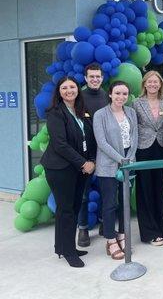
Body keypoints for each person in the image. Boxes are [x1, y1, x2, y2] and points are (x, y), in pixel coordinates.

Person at [40, 77, 96, 268]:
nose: (69, 90)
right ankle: (69, 252)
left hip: (79, 168)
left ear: (78, 90)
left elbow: (89, 138)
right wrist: (83, 163)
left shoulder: (82, 111)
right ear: (59, 91)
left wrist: (91, 161)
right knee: (66, 210)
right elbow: (60, 144)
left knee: (72, 208)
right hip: (60, 168)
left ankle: (63, 247)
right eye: (64, 88)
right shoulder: (55, 113)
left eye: (72, 87)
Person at [93, 81, 138, 260]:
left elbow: (135, 137)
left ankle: (122, 235)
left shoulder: (131, 112)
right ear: (110, 94)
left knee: (124, 201)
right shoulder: (100, 114)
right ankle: (111, 240)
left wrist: (130, 158)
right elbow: (101, 142)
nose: (121, 97)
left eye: (125, 94)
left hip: (129, 161)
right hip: (109, 164)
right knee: (110, 203)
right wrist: (121, 159)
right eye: (117, 93)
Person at [132, 71, 163, 246]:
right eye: (150, 82)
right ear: (144, 84)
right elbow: (133, 128)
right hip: (143, 149)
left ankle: (160, 228)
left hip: (162, 148)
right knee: (144, 190)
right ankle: (149, 232)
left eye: (156, 82)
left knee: (158, 189)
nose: (153, 85)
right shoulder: (136, 103)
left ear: (161, 84)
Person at [77, 63, 109, 247]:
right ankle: (83, 229)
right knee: (83, 194)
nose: (95, 79)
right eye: (91, 76)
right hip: (84, 154)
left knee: (107, 191)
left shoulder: (108, 97)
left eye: (98, 76)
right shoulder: (79, 97)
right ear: (85, 78)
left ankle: (105, 224)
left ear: (102, 78)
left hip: (105, 153)